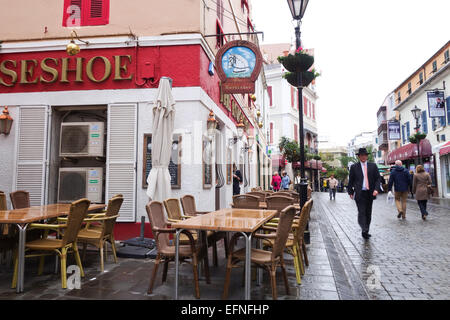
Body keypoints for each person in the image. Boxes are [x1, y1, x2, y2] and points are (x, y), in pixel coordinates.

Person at [347, 148, 382, 239]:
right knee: (361, 211)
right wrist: (350, 191)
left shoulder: (373, 166)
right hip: (359, 193)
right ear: (359, 157)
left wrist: (376, 189)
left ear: (367, 156)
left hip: (370, 193)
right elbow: (351, 180)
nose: (363, 157)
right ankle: (364, 228)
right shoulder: (354, 167)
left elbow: (378, 178)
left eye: (365, 155)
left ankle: (366, 230)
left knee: (368, 213)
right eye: (361, 155)